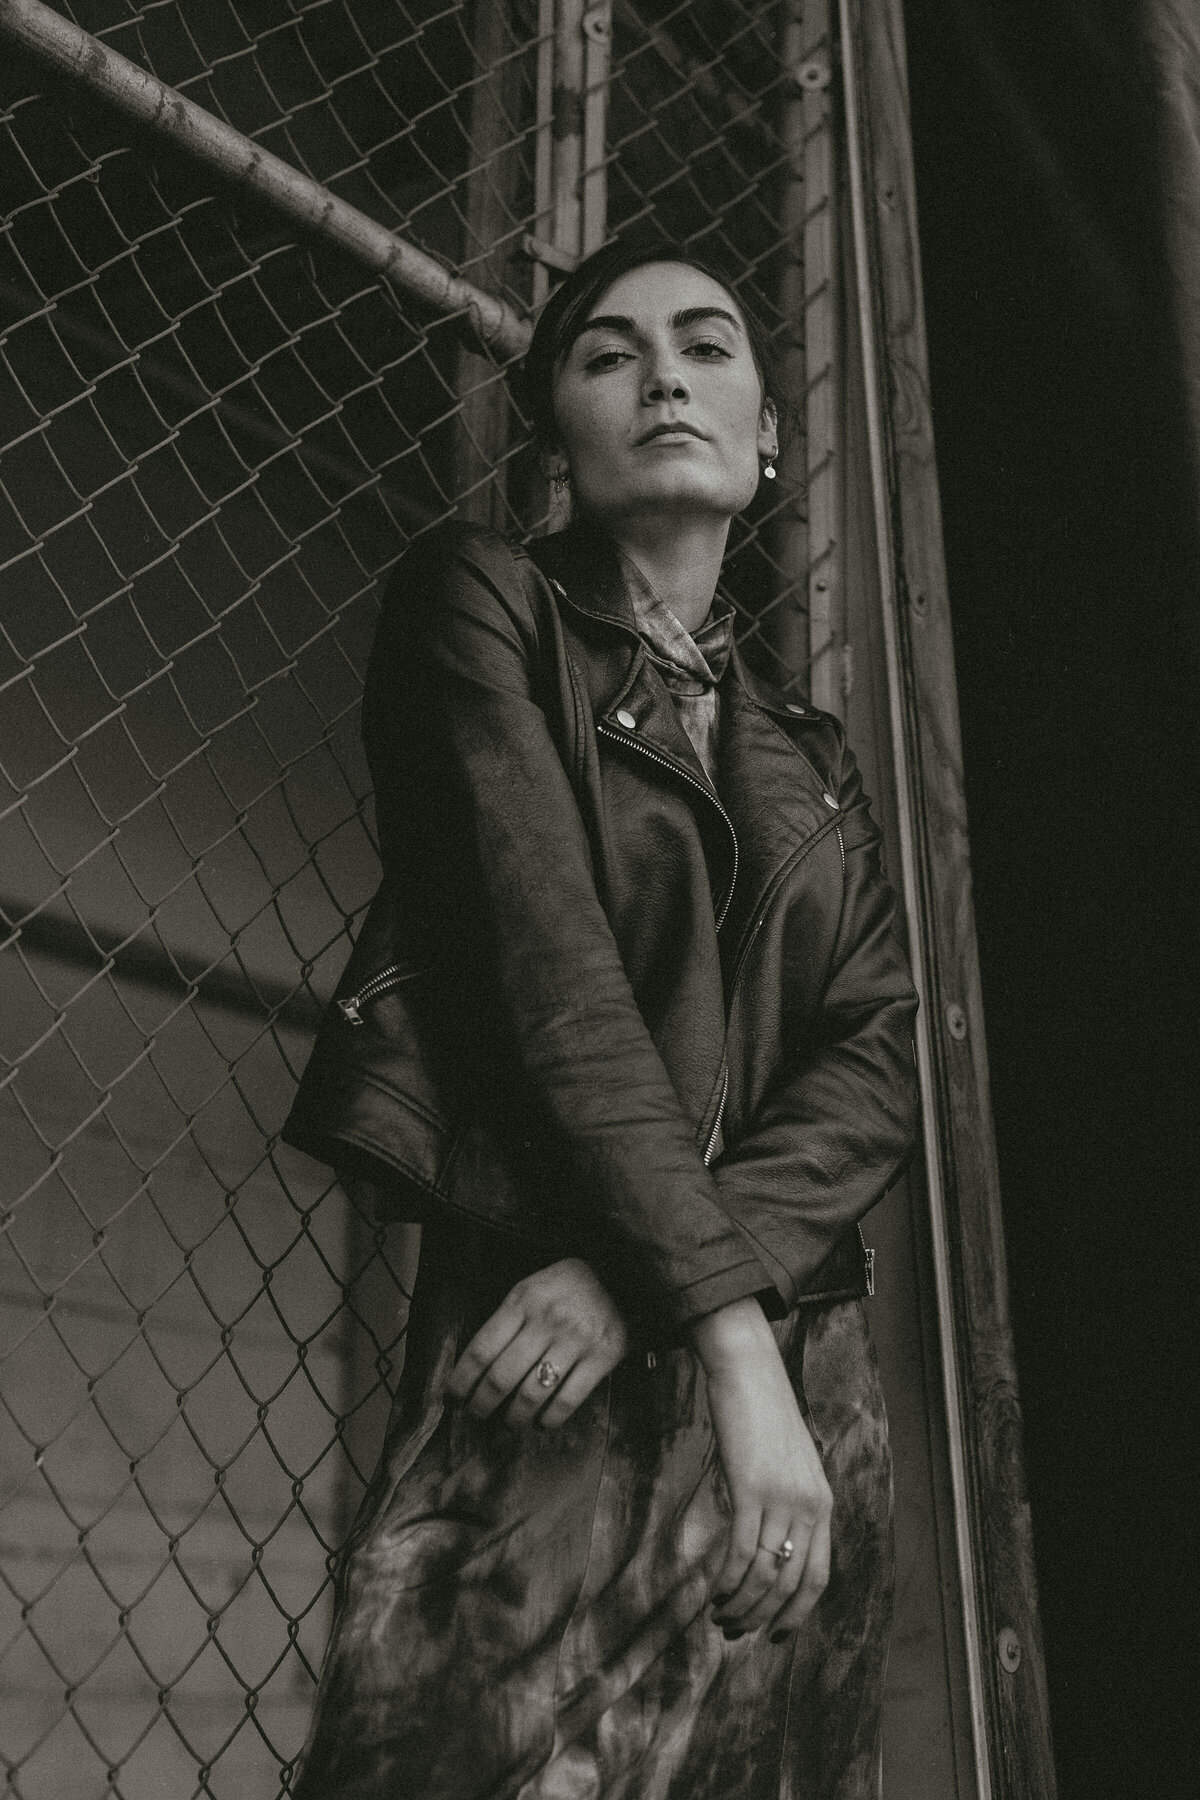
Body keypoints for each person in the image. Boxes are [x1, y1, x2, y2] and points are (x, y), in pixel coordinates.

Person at [282, 235, 919, 1800]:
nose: (662, 376)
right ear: (559, 433)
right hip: (561, 1350)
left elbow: (882, 1060)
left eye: (706, 346)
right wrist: (732, 1354)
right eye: (608, 353)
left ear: (768, 436)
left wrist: (660, 1300)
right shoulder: (480, 609)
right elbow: (545, 977)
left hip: (755, 1357)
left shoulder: (813, 758)